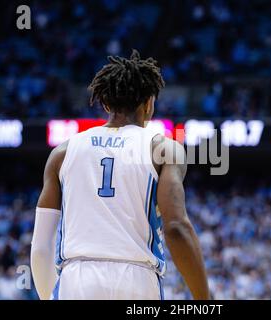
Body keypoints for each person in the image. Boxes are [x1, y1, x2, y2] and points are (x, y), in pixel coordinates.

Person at [30, 50, 209, 300]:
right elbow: (177, 228)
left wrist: (50, 296)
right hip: (138, 279)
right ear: (149, 103)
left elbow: (40, 248)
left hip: (77, 278)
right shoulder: (164, 149)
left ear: (104, 104)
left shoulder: (62, 152)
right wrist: (205, 299)